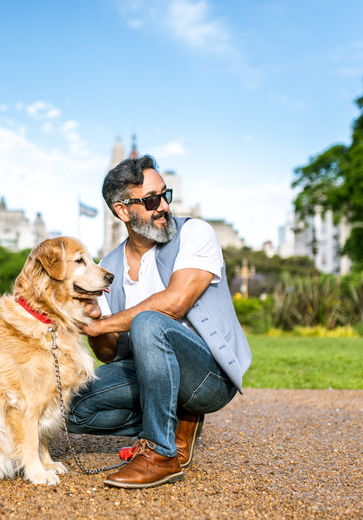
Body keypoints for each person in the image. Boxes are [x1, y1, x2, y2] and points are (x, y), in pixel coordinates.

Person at [68, 154, 252, 489]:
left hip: (207, 377)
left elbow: (176, 303)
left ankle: (160, 453)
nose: (163, 206)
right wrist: (92, 321)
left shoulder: (195, 233)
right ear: (122, 210)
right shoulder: (109, 265)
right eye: (151, 200)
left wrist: (103, 325)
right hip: (150, 375)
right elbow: (109, 354)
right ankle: (171, 421)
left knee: (149, 322)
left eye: (165, 195)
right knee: (69, 408)